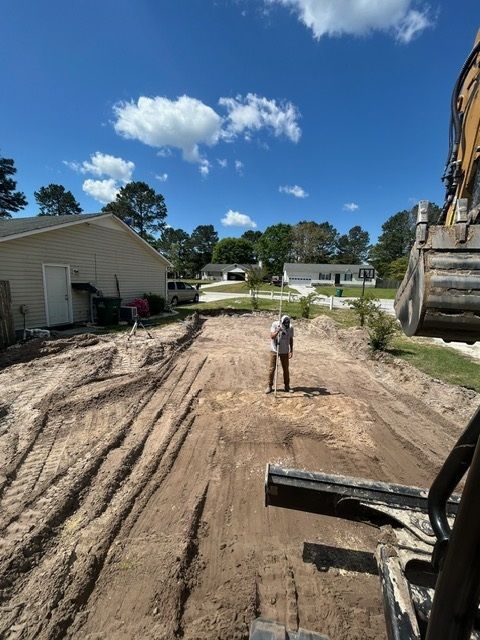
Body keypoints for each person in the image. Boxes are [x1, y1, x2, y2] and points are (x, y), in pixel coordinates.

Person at [266, 314, 294, 393]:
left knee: (286, 369)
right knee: (272, 368)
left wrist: (291, 350)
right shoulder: (275, 324)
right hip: (275, 350)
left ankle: (287, 386)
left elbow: (291, 339)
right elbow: (272, 336)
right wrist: (277, 331)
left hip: (285, 351)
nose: (286, 326)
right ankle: (269, 386)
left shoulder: (291, 327)